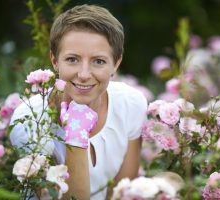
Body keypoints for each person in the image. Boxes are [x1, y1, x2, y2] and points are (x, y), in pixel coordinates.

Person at [9, 4, 148, 200]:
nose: (83, 75)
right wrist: (75, 136)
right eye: (72, 59)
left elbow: (123, 191)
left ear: (115, 64)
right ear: (55, 60)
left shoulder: (131, 104)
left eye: (98, 61)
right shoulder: (29, 121)